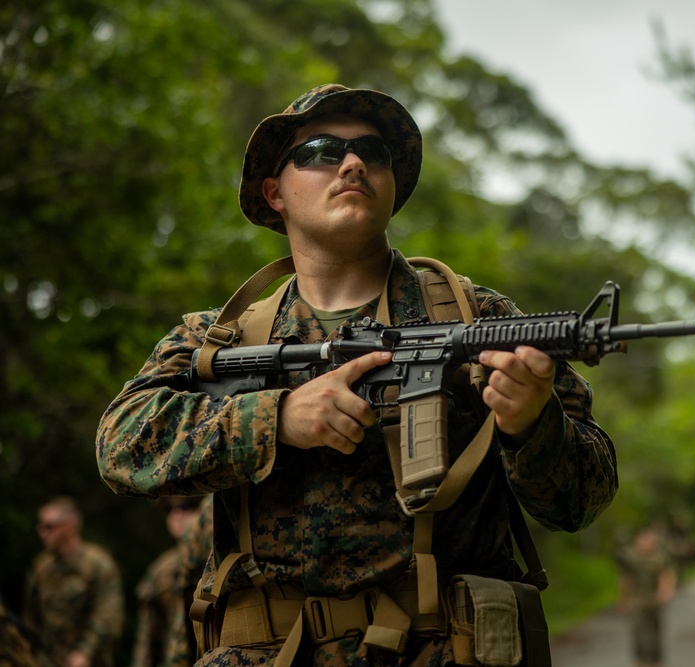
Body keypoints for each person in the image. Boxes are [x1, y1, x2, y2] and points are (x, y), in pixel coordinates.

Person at [96, 83, 618, 666]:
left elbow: (581, 502)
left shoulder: (478, 318)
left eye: (373, 152)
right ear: (275, 192)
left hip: (442, 650)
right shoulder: (220, 337)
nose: (352, 164)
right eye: (320, 150)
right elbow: (120, 447)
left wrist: (533, 425)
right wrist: (276, 418)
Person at [22, 496, 124, 667]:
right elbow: (31, 619)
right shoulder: (42, 568)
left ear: (69, 526)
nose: (42, 533)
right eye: (41, 527)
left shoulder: (97, 564)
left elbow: (108, 615)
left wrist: (85, 653)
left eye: (49, 527)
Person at [132, 496, 204, 667]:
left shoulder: (220, 561)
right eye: (169, 509)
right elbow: (148, 640)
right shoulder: (160, 571)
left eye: (187, 506)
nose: (176, 514)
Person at [617, 526, 676, 667]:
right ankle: (641, 661)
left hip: (654, 598)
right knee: (637, 631)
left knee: (655, 631)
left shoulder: (659, 557)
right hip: (638, 598)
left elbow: (666, 575)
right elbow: (627, 579)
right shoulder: (631, 557)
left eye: (648, 540)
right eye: (643, 540)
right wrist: (624, 599)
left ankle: (656, 660)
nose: (646, 543)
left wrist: (665, 592)